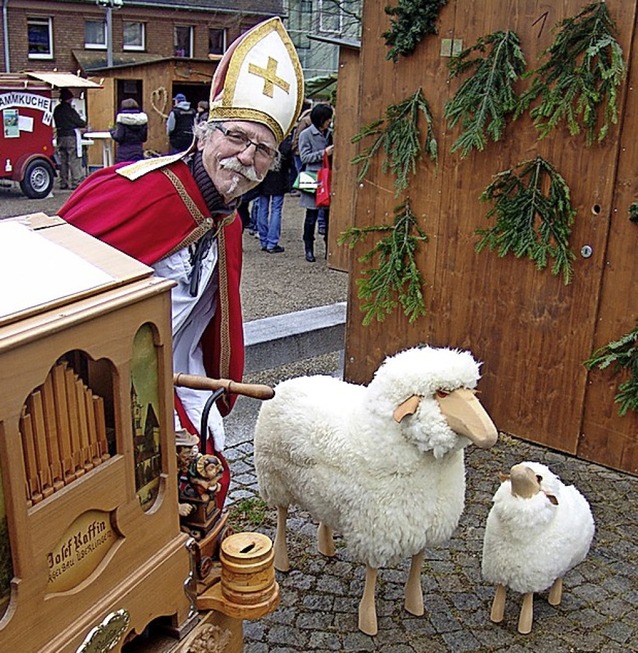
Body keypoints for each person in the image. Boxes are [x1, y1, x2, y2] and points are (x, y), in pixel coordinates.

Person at [57, 17, 304, 510]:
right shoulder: (136, 193)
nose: (246, 158)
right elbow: (59, 282)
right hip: (97, 387)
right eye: (236, 138)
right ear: (205, 133)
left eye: (263, 150)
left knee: (203, 483)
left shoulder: (228, 220)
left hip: (174, 374)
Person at [298, 103, 334, 262]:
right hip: (312, 177)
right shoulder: (306, 134)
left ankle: (329, 249)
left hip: (328, 177)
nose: (329, 122)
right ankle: (308, 248)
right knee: (311, 215)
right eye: (327, 119)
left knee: (328, 216)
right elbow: (304, 157)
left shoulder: (331, 134)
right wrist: (323, 153)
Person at [255, 133, 293, 253]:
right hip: (279, 176)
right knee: (276, 209)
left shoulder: (264, 137)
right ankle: (272, 242)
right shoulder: (284, 140)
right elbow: (288, 157)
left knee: (262, 207)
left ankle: (263, 240)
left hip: (264, 175)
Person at [53, 88, 87, 190]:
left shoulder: (57, 109)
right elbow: (80, 122)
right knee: (73, 159)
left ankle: (63, 182)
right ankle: (76, 182)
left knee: (63, 160)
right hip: (71, 136)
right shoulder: (70, 110)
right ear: (69, 99)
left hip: (60, 135)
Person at [110, 98, 148, 163]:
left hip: (123, 153)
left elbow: (119, 137)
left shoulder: (122, 119)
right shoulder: (142, 120)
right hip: (137, 151)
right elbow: (144, 138)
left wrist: (112, 131)